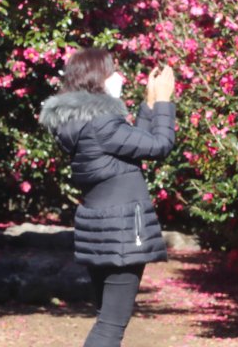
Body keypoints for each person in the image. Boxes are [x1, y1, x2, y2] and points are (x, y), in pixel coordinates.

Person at [38, 48, 177, 347]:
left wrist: (149, 104)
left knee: (106, 319)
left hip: (100, 228)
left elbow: (133, 148)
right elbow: (161, 145)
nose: (119, 77)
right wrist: (165, 100)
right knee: (110, 327)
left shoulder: (84, 122)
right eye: (113, 71)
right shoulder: (102, 123)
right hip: (122, 230)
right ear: (97, 78)